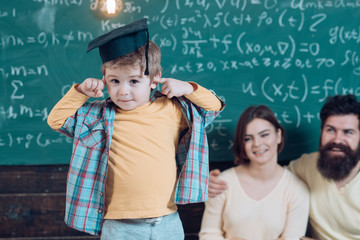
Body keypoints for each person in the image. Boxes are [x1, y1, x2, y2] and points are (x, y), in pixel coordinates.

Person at [47, 18, 224, 239]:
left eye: (133, 81)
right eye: (115, 81)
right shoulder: (98, 116)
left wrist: (188, 88)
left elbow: (213, 107)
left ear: (154, 79)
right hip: (119, 225)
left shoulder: (171, 109)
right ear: (105, 80)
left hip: (166, 221)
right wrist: (80, 92)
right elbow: (56, 120)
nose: (123, 91)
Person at [208, 95, 360, 240]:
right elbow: (271, 177)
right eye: (330, 130)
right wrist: (207, 184)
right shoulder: (306, 166)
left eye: (348, 132)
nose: (337, 139)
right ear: (321, 132)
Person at [199, 105, 309, 240]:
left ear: (279, 135)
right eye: (248, 138)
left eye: (264, 135)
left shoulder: (297, 190)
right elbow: (209, 233)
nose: (257, 144)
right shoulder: (222, 183)